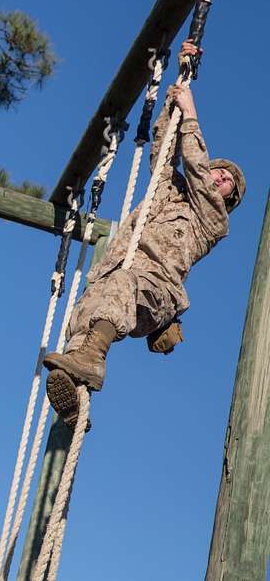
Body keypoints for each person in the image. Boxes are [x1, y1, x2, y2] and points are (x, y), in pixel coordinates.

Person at [43, 40, 244, 427]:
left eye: (227, 184)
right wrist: (178, 87)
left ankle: (90, 365)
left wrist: (192, 117)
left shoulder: (214, 220)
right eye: (221, 172)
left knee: (121, 286)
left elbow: (197, 169)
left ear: (227, 200)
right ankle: (75, 401)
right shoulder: (170, 192)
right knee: (85, 314)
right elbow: (164, 150)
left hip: (157, 288)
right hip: (120, 273)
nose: (220, 179)